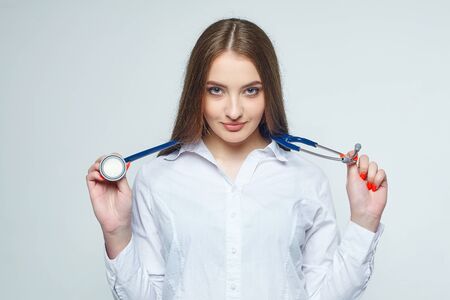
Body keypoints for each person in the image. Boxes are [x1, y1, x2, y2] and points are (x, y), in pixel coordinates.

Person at [86, 17, 388, 300]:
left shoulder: (306, 179)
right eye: (216, 90)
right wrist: (116, 233)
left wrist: (365, 221)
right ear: (196, 93)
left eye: (250, 91)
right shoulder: (157, 179)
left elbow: (322, 295)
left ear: (269, 92)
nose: (233, 110)